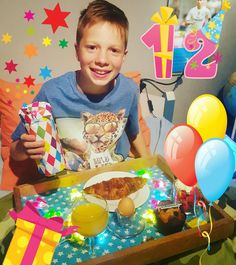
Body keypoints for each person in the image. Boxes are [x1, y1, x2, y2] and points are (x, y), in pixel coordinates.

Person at [10, 0, 150, 171]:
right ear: (77, 51)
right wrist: (23, 149)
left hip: (116, 176)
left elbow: (134, 132)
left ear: (124, 55)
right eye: (92, 47)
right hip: (69, 182)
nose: (102, 60)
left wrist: (149, 165)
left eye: (113, 50)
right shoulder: (51, 93)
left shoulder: (129, 90)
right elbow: (14, 151)